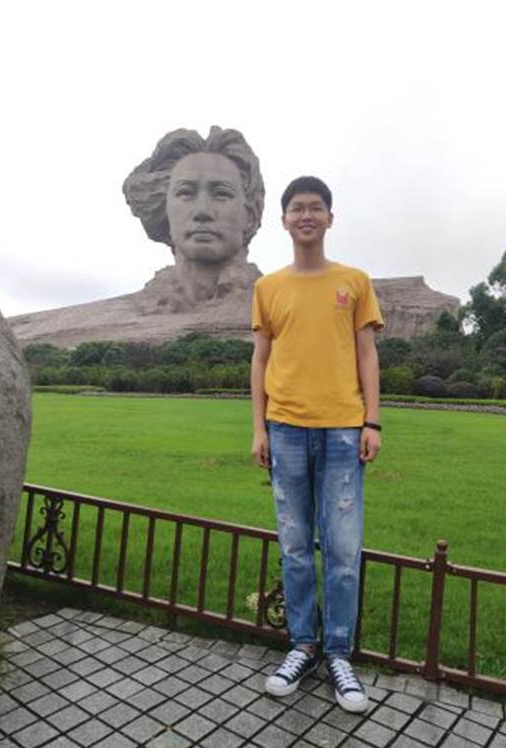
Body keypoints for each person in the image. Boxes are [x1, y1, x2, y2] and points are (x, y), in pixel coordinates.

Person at [250, 176, 383, 713]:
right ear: (284, 220)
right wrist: (259, 428)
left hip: (343, 431)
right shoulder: (268, 288)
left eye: (316, 207)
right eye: (297, 208)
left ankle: (339, 654)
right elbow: (260, 359)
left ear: (330, 217)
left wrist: (372, 422)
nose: (306, 215)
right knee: (296, 546)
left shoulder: (354, 282)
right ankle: (303, 645)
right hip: (284, 428)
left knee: (344, 550)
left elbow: (367, 354)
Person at [123, 127, 265, 310]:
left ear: (250, 214)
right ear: (163, 208)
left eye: (221, 194)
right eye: (186, 193)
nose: (202, 211)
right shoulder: (106, 317)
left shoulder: (278, 307)